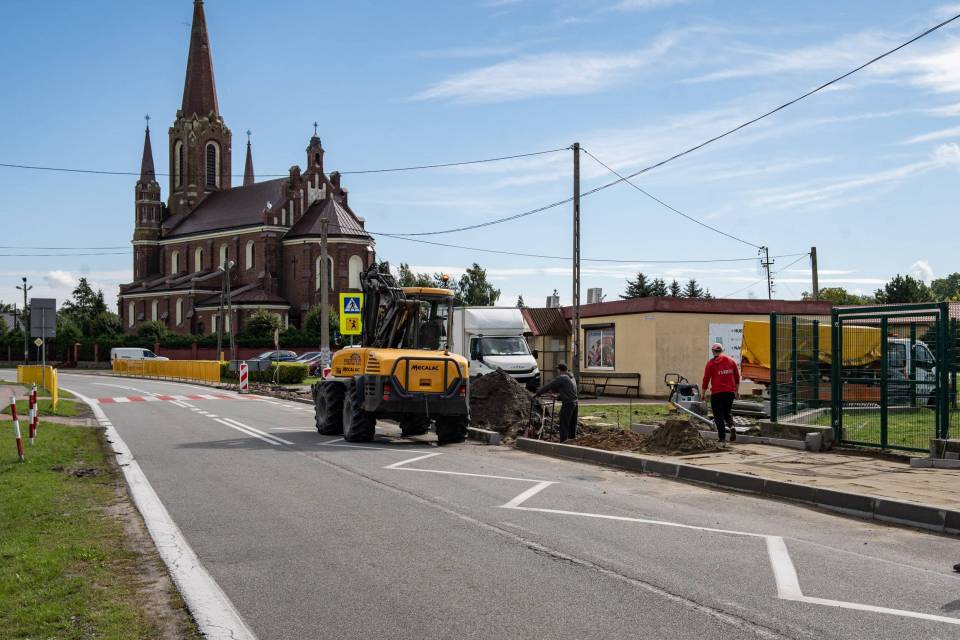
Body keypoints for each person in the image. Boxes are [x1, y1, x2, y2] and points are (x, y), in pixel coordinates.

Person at [702, 343, 740, 443]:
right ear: (722, 350)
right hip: (730, 393)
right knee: (727, 412)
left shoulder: (711, 363)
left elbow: (706, 379)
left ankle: (722, 438)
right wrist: (736, 391)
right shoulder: (731, 361)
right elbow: (737, 377)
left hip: (717, 393)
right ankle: (731, 426)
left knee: (718, 416)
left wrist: (703, 393)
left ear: (713, 351)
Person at [534, 363, 579, 442]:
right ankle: (572, 442)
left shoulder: (562, 378)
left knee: (564, 424)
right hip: (575, 403)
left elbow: (549, 386)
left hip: (568, 404)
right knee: (572, 424)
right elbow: (570, 392)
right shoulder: (572, 377)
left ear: (559, 370)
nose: (557, 371)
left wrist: (537, 393)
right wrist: (558, 397)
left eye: (557, 370)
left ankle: (563, 442)